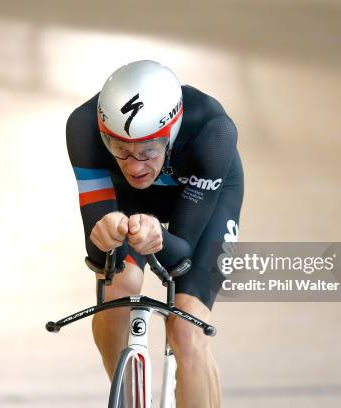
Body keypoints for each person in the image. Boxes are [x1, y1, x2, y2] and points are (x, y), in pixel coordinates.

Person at [66, 60, 243, 407]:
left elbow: (183, 255)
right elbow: (100, 253)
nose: (134, 166)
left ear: (172, 134)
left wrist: (158, 239)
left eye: (148, 151)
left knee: (187, 328)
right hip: (130, 204)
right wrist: (106, 232)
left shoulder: (213, 132)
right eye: (120, 150)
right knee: (116, 293)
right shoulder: (82, 127)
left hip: (203, 203)